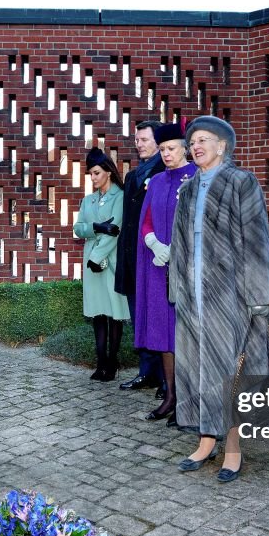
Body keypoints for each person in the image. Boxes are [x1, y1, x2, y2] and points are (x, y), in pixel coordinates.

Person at [171, 116, 269, 482]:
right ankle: (206, 441)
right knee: (199, 367)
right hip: (194, 295)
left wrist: (260, 295)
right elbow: (179, 246)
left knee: (231, 371)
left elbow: (256, 240)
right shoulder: (188, 189)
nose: (196, 146)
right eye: (193, 141)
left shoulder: (241, 181)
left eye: (205, 139)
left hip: (232, 294)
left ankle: (232, 448)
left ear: (223, 146)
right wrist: (178, 289)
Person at [135, 122, 197, 425]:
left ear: (184, 147)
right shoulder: (157, 181)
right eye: (162, 149)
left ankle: (189, 400)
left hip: (187, 270)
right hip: (160, 269)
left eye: (171, 148)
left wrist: (178, 248)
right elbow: (145, 221)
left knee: (186, 335)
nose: (166, 154)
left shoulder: (197, 177)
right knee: (164, 335)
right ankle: (170, 396)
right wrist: (153, 242)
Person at [115, 120, 166, 395]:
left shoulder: (165, 171)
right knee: (139, 318)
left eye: (144, 139)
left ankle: (166, 377)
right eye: (137, 139)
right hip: (131, 256)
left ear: (158, 143)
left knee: (158, 317)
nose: (139, 144)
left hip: (154, 257)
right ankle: (146, 372)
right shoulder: (132, 176)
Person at [74, 147, 130, 381]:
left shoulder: (121, 196)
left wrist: (96, 257)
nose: (93, 178)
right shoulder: (88, 201)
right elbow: (78, 229)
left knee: (114, 313)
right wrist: (97, 227)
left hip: (112, 261)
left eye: (97, 173)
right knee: (98, 314)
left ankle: (113, 363)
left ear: (108, 171)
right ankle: (101, 363)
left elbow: (115, 230)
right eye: (91, 174)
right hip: (92, 264)